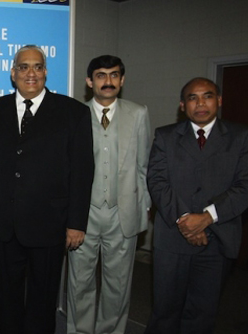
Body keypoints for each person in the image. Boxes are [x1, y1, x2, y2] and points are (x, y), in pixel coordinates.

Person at [0, 45, 94, 333]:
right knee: (6, 292)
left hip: (49, 222)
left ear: (46, 72)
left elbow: (82, 172)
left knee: (43, 295)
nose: (31, 73)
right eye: (24, 67)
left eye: (38, 67)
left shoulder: (73, 112)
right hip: (3, 221)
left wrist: (76, 223)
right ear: (13, 72)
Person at [144, 77, 248, 334]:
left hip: (218, 238)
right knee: (164, 312)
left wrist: (206, 217)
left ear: (219, 101)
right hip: (172, 238)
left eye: (208, 96)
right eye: (193, 97)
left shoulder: (242, 137)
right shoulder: (165, 136)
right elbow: (157, 181)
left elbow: (246, 185)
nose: (200, 103)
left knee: (202, 314)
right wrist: (185, 219)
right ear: (182, 105)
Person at [66, 55, 151, 334]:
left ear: (122, 80)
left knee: (118, 285)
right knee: (80, 282)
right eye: (101, 75)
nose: (108, 81)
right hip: (84, 214)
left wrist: (143, 208)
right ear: (90, 81)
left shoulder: (138, 113)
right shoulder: (74, 114)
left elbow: (143, 167)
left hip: (122, 213)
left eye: (114, 75)